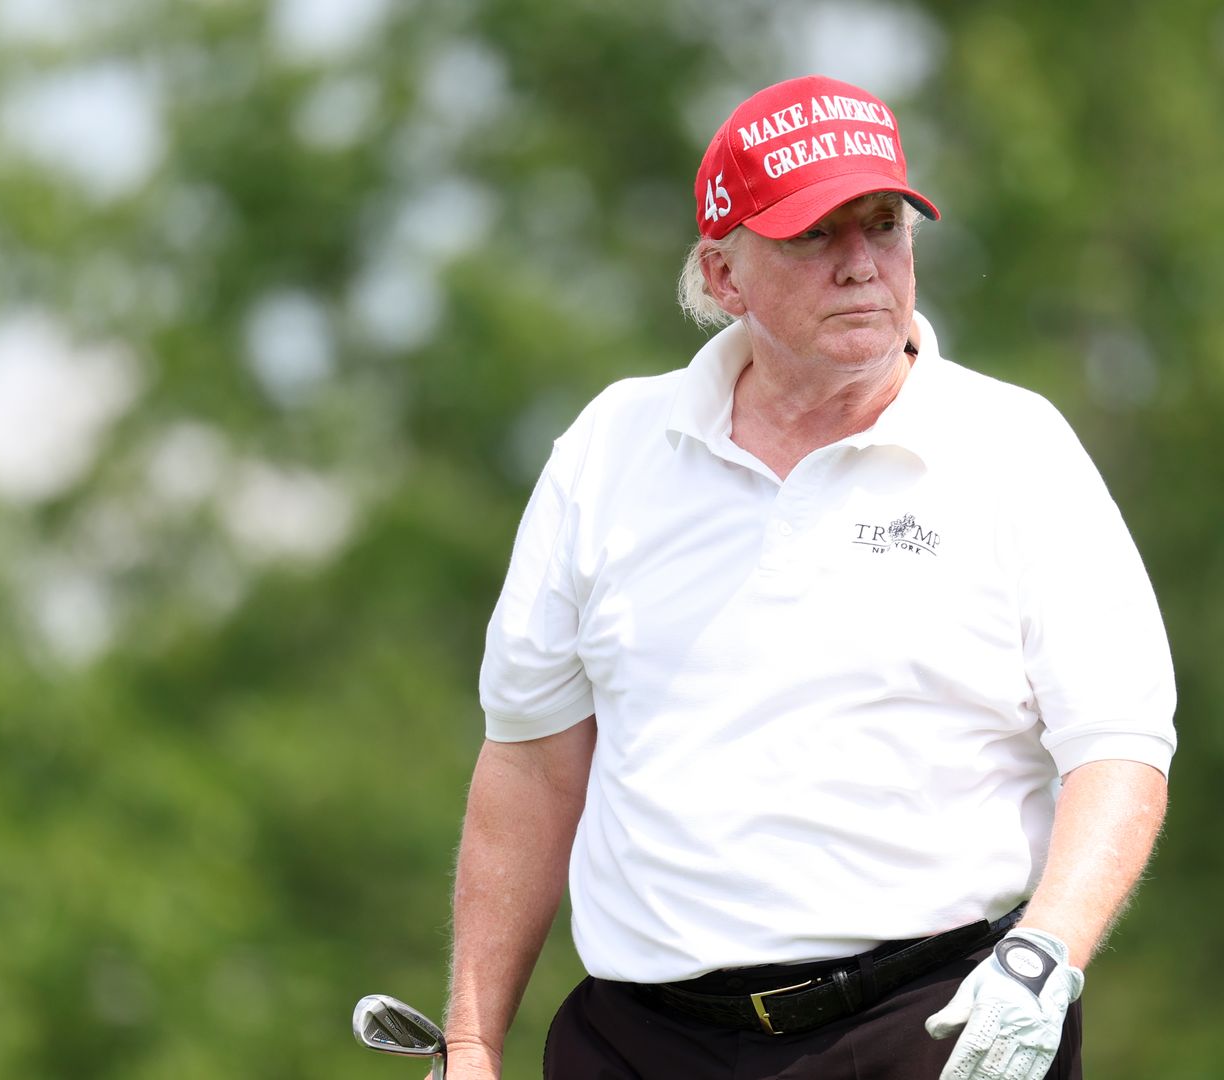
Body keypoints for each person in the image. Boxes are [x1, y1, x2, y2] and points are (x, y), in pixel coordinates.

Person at [443, 74, 1176, 1080]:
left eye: (883, 227)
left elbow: (1118, 745)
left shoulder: (1013, 446)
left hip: (933, 1026)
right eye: (814, 236)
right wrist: (473, 1043)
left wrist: (1045, 955)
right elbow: (531, 762)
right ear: (724, 273)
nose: (862, 266)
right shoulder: (609, 448)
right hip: (640, 1043)